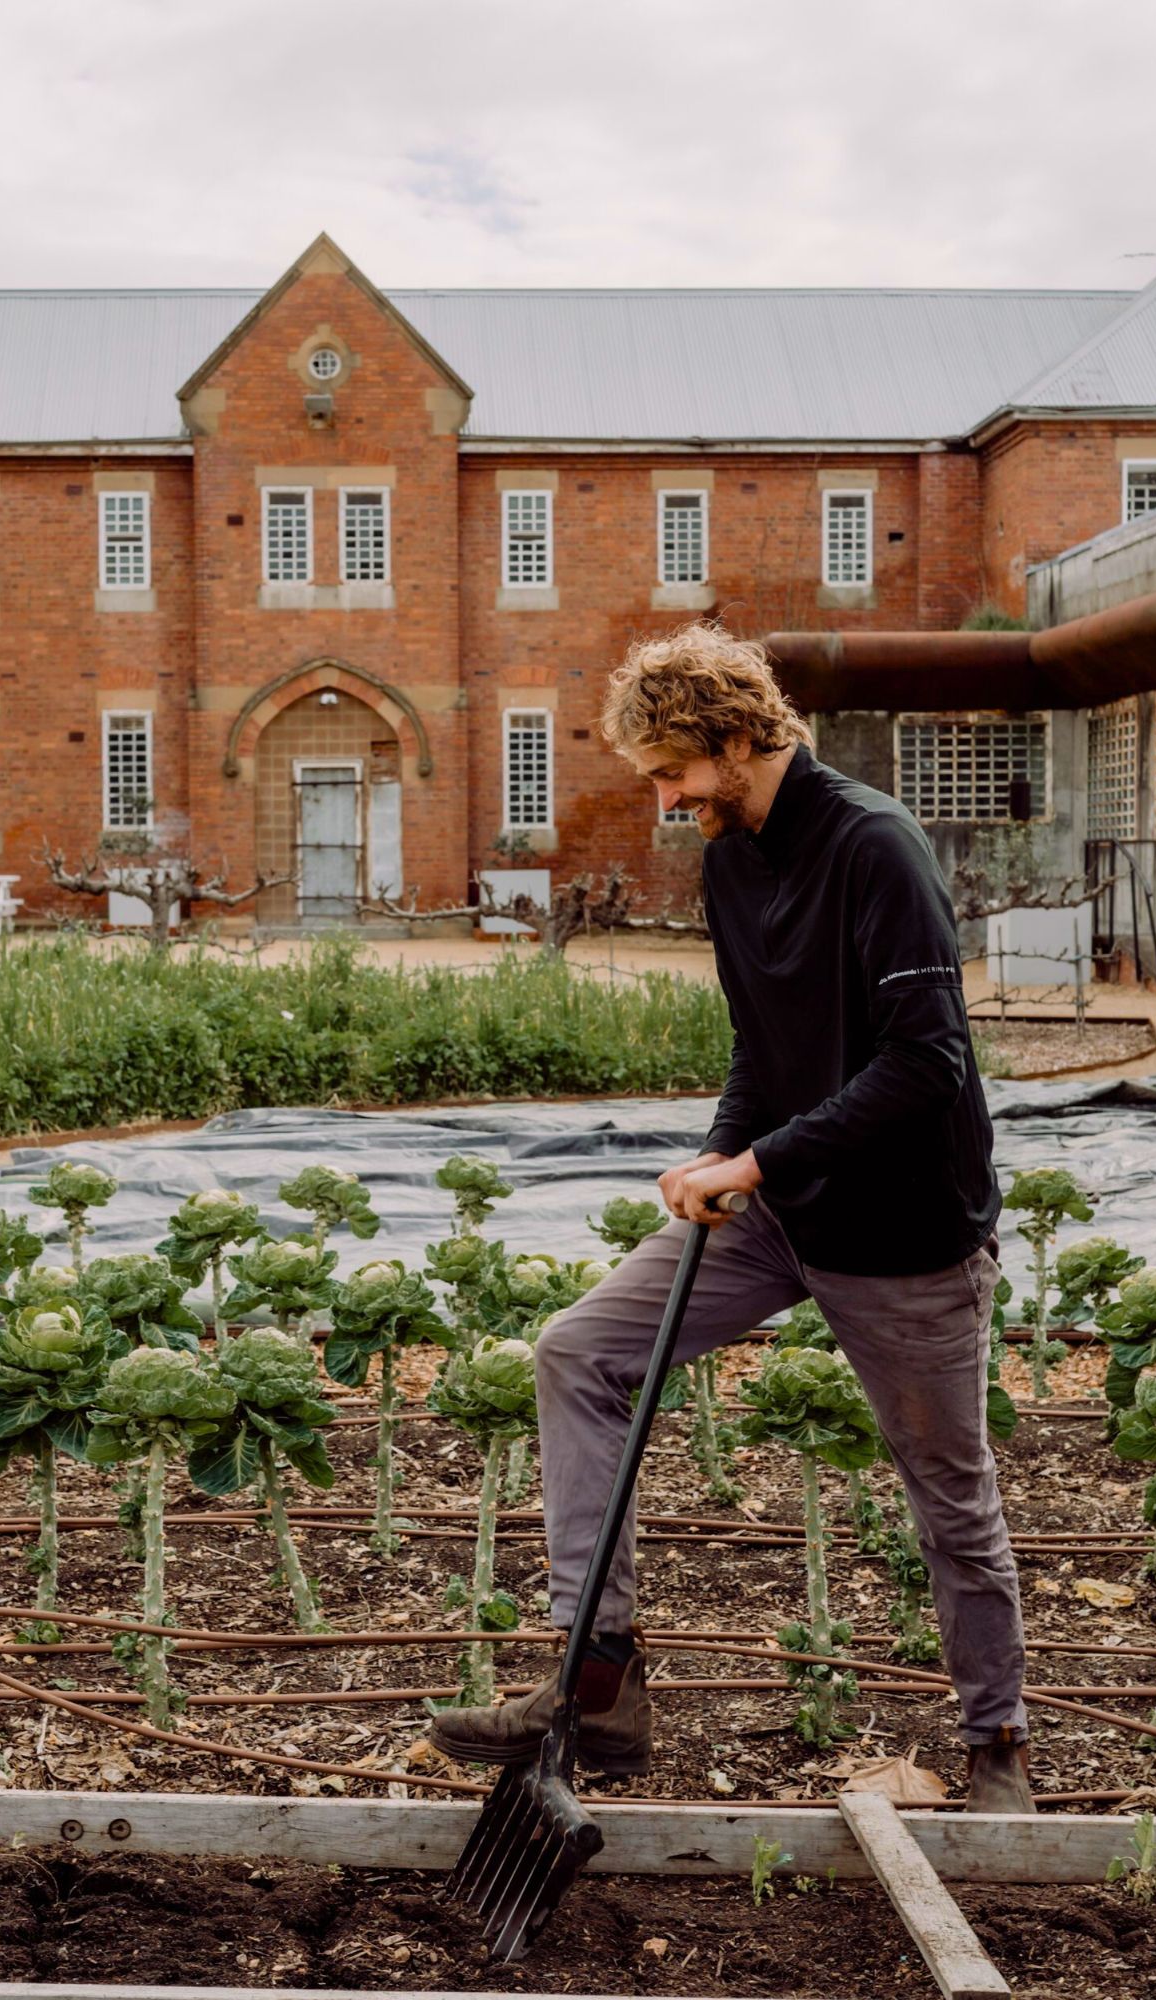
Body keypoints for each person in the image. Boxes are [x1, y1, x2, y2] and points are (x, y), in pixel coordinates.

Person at [426, 622, 1032, 1813]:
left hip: (905, 1234)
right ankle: (595, 1684)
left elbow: (927, 1064)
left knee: (946, 1490)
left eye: (671, 771)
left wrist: (756, 1157)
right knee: (577, 1352)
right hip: (779, 1210)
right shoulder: (728, 856)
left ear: (740, 739)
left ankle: (996, 1745)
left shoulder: (874, 847)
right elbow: (764, 1042)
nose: (659, 797)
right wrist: (724, 1145)